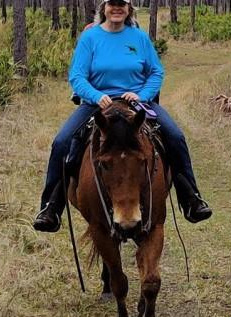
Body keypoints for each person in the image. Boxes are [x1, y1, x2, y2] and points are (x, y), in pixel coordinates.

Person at [33, 0, 212, 232]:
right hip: (96, 105)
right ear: (104, 8)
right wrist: (97, 96)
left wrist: (141, 95)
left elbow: (156, 71)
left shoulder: (139, 38)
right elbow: (77, 76)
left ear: (129, 9)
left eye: (122, 5)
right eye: (112, 4)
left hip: (137, 103)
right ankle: (51, 207)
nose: (117, 9)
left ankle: (191, 198)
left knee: (175, 136)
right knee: (62, 142)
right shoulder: (90, 38)